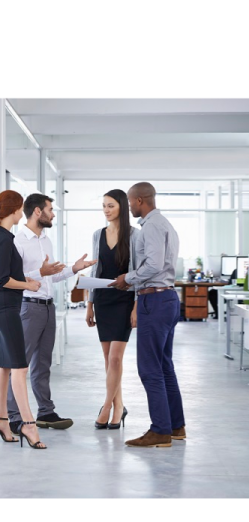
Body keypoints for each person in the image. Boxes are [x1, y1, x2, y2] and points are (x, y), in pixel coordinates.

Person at [6, 193, 96, 434]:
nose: (53, 214)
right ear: (37, 211)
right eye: (50, 209)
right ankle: (13, 416)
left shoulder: (46, 240)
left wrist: (73, 269)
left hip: (48, 306)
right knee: (19, 364)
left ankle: (45, 412)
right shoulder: (17, 241)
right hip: (28, 307)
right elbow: (13, 279)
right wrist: (40, 272)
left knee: (43, 364)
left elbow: (52, 275)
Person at [110, 182, 185, 448]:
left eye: (130, 202)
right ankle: (176, 426)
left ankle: (160, 431)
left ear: (140, 200)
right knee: (164, 367)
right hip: (166, 298)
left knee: (149, 369)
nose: (129, 207)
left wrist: (127, 279)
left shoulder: (152, 226)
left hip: (154, 299)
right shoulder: (164, 224)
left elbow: (153, 264)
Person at [0, 190, 46, 449]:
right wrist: (29, 284)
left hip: (5, 308)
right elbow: (1, 281)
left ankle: (1, 419)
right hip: (6, 309)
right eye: (20, 208)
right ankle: (28, 424)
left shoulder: (1, 237)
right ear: (15, 210)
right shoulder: (4, 239)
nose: (22, 212)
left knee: (5, 366)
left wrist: (28, 281)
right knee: (20, 367)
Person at [85, 190, 138, 429]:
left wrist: (136, 306)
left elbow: (138, 271)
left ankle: (106, 406)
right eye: (104, 206)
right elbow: (94, 272)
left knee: (116, 358)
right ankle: (119, 406)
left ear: (122, 208)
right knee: (108, 360)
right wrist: (89, 304)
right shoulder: (98, 235)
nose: (106, 210)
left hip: (124, 301)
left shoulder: (135, 236)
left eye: (111, 206)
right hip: (103, 301)